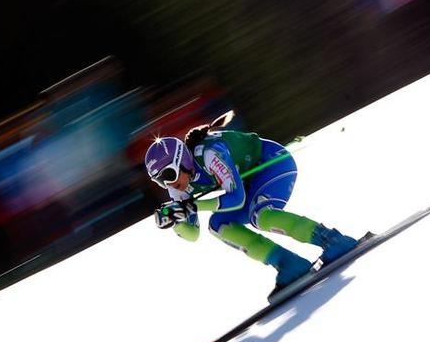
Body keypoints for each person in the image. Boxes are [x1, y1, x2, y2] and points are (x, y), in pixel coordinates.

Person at [144, 124, 358, 300]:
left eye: (169, 174)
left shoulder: (209, 154)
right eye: (160, 181)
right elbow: (193, 234)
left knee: (261, 216)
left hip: (273, 163)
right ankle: (289, 264)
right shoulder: (177, 188)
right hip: (249, 184)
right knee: (218, 225)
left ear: (182, 161)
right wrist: (176, 221)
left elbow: (237, 198)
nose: (168, 184)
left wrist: (193, 206)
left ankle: (332, 240)